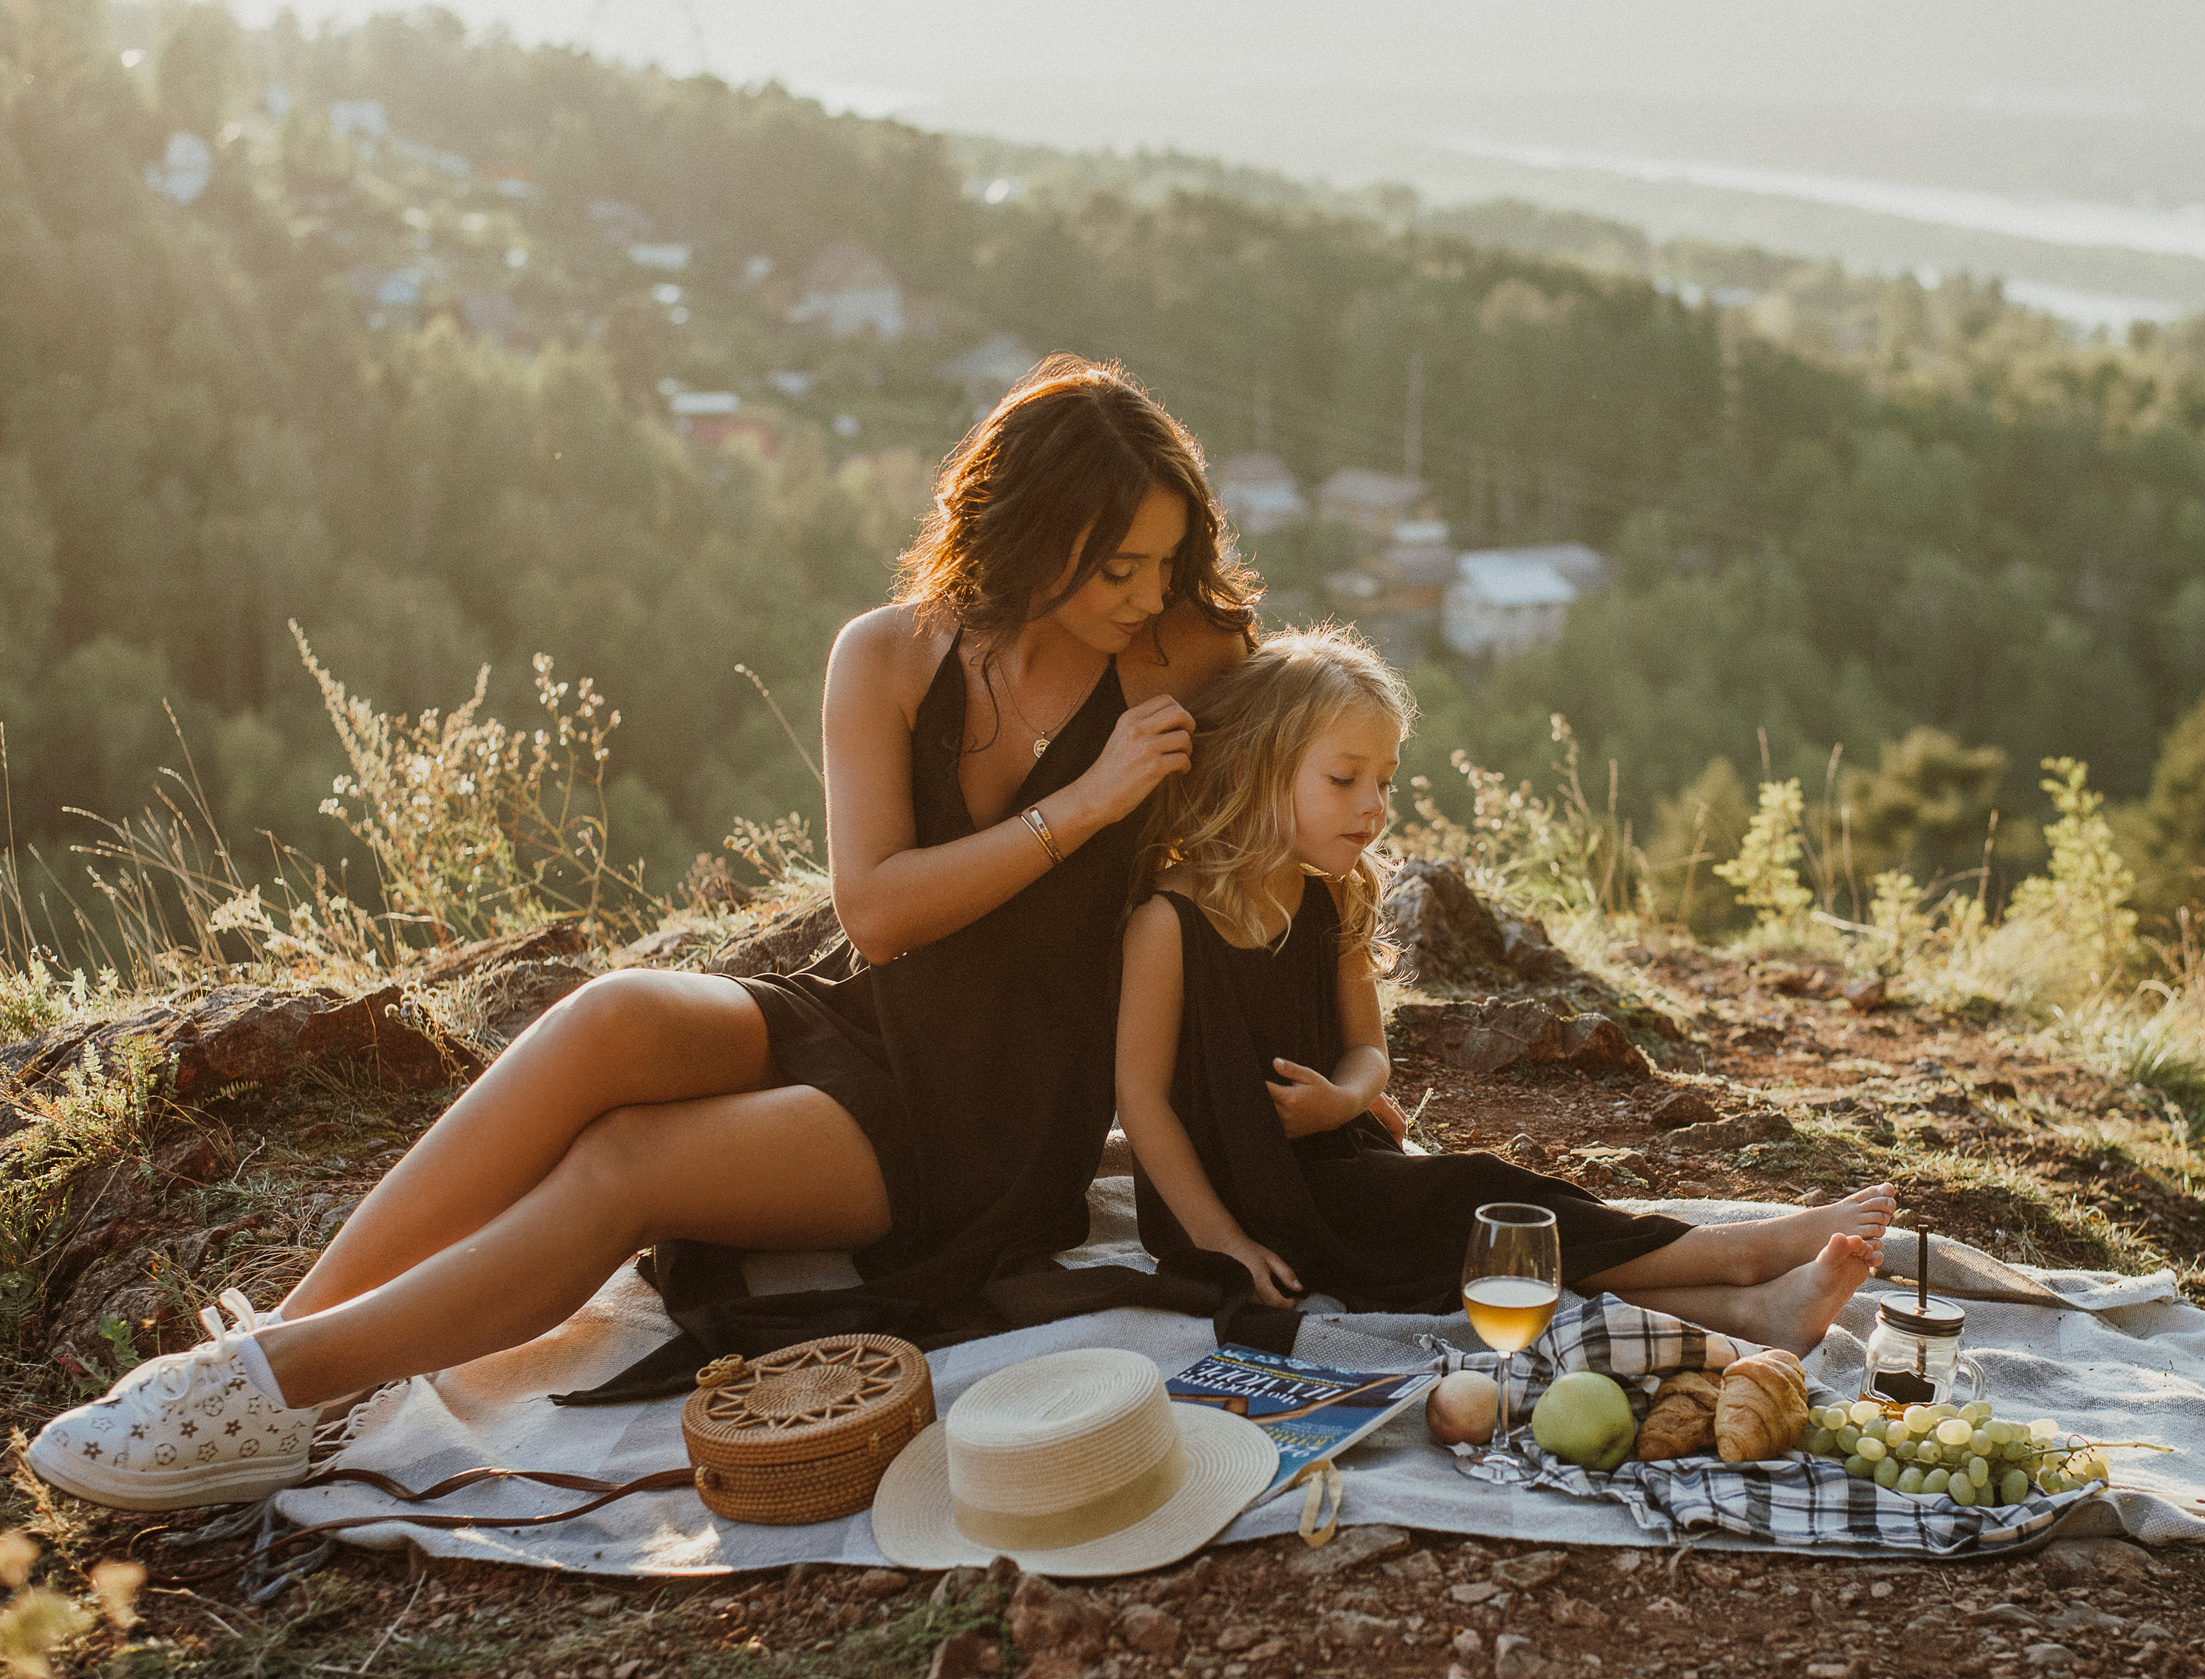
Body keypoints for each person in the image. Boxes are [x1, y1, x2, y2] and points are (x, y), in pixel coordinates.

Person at [30, 355, 1257, 1513]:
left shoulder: (1183, 654)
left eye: (1165, 560)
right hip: (872, 1015)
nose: (1148, 593)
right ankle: (272, 1347)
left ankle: (290, 1385)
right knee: (610, 1013)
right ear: (1030, 535)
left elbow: (1301, 769)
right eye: (1119, 566)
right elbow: (876, 914)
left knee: (629, 1162)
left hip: (993, 1111)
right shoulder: (887, 654)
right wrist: (1083, 804)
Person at [1115, 627, 1893, 1355]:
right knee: (1471, 1196)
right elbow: (1141, 1100)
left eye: (1385, 780)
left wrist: (1342, 1102)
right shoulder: (1168, 923)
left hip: (1337, 1169)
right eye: (1344, 778)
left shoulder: (1331, 896)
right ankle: (1738, 1254)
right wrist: (1224, 1243)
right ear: (1252, 770)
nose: (1374, 805)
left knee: (1483, 1228)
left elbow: (1368, 1055)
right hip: (1231, 1204)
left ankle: (1751, 1312)